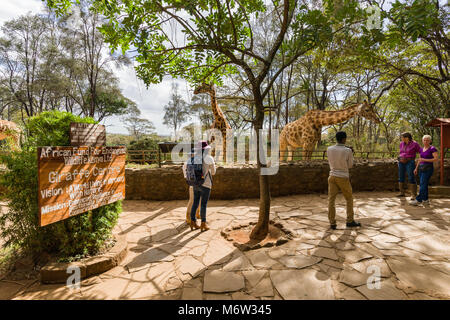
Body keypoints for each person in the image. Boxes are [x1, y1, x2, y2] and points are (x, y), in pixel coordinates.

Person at [327, 131, 361, 230]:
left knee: (331, 200)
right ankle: (350, 221)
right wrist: (350, 153)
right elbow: (350, 165)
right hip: (342, 177)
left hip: (332, 176)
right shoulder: (347, 151)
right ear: (344, 139)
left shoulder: (329, 149)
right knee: (349, 199)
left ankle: (332, 223)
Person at [183, 140, 216, 231]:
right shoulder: (209, 158)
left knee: (195, 203)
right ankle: (203, 224)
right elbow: (213, 172)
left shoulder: (192, 158)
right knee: (203, 205)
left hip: (195, 184)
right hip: (206, 184)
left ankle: (193, 222)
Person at [409, 135, 439, 206]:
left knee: (422, 184)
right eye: (424, 140)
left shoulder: (432, 148)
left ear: (430, 141)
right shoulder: (421, 149)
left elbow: (435, 159)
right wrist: (416, 168)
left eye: (427, 140)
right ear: (422, 141)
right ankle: (425, 200)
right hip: (421, 169)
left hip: (428, 169)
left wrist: (424, 159)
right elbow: (420, 160)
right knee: (424, 185)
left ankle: (418, 200)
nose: (426, 141)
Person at [397, 132, 420, 200]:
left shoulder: (415, 144)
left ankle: (413, 194)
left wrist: (418, 159)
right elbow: (401, 152)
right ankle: (402, 192)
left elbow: (420, 151)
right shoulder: (401, 144)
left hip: (410, 162)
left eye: (402, 137)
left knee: (411, 176)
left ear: (407, 138)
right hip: (401, 162)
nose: (401, 139)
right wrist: (399, 158)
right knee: (401, 176)